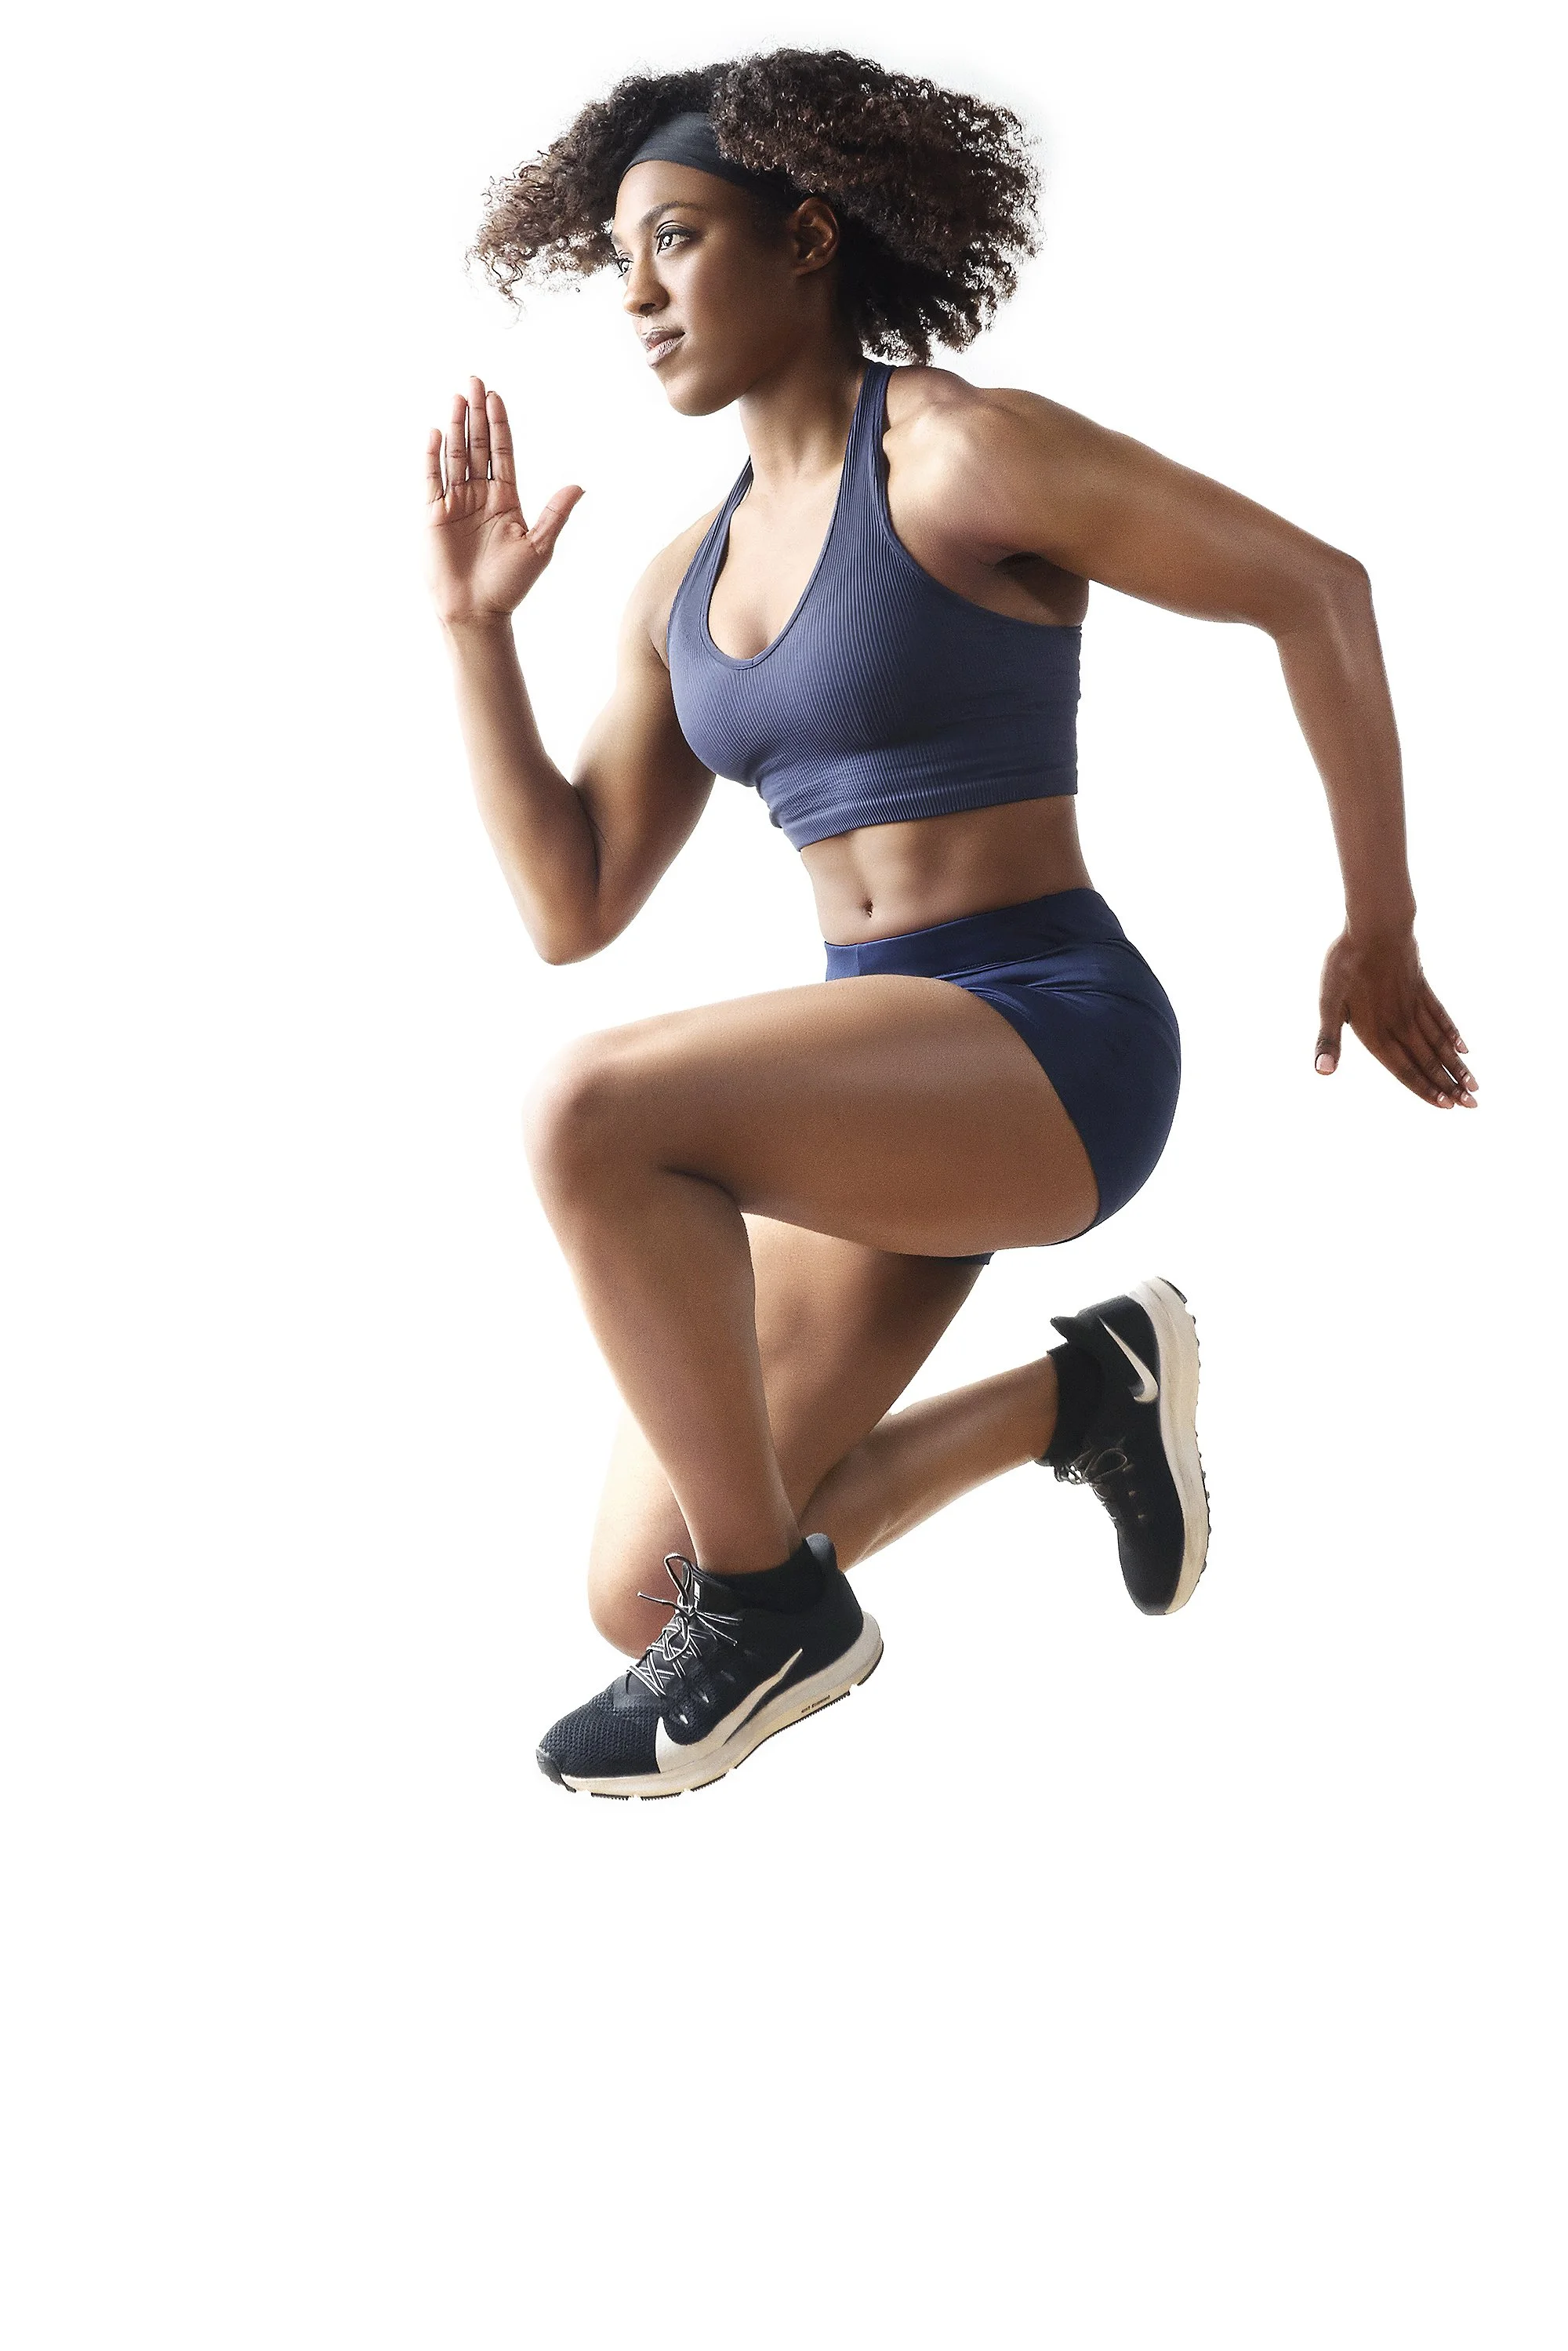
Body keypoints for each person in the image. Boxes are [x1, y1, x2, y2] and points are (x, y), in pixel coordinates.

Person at [424, 50, 1475, 1798]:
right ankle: (1082, 1399)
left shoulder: (962, 452)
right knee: (638, 1590)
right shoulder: (677, 581)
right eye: (619, 260)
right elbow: (573, 901)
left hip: (1047, 1034)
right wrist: (473, 637)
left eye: (675, 240)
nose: (637, 296)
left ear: (808, 238)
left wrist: (1379, 925)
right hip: (872, 1078)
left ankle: (773, 1617)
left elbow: (1317, 591)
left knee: (589, 1112)